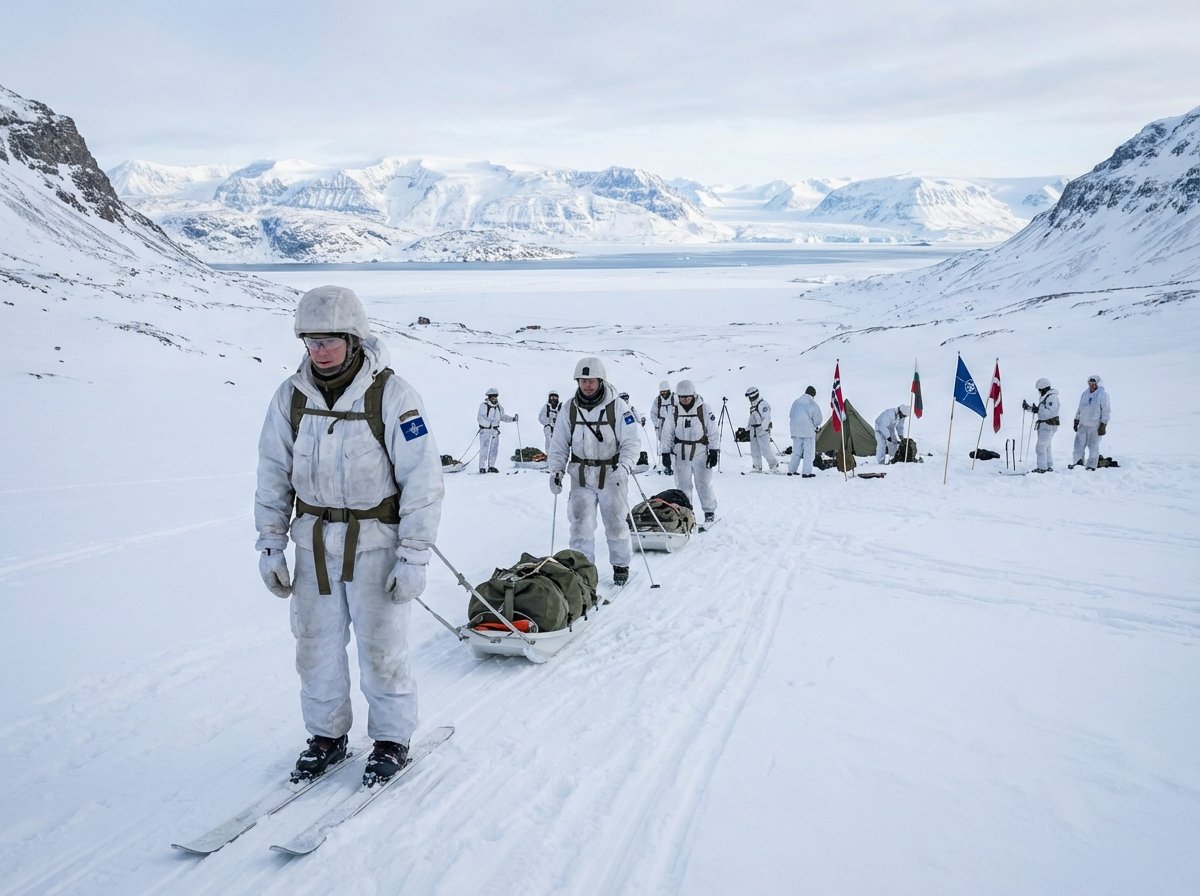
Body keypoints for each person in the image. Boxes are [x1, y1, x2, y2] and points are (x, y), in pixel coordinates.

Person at [255, 285, 444, 786]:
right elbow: (273, 473)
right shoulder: (290, 397)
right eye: (310, 341)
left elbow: (423, 478)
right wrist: (271, 543)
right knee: (314, 646)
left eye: (329, 340)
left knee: (382, 647)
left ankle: (390, 738)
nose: (318, 351)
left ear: (355, 339)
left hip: (376, 544)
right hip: (313, 541)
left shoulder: (393, 395)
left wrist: (415, 555)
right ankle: (326, 736)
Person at [547, 357, 641, 585]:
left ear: (601, 380)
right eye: (583, 381)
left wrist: (625, 466)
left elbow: (631, 442)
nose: (587, 385)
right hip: (580, 474)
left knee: (616, 521)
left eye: (591, 381)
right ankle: (582, 569)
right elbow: (559, 443)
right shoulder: (569, 408)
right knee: (580, 524)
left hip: (612, 474)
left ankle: (620, 564)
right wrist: (556, 470)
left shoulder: (618, 406)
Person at [659, 379, 718, 523]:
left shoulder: (703, 409)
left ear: (693, 395)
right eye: (681, 397)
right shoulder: (674, 411)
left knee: (703, 483)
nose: (684, 400)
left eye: (687, 397)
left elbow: (712, 431)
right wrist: (665, 452)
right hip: (681, 454)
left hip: (700, 452)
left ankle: (709, 511)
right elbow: (667, 432)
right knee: (683, 485)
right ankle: (686, 512)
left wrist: (714, 450)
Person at [1069, 375, 1111, 470]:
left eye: (1094, 384)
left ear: (1097, 384)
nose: (1091, 385)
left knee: (1093, 448)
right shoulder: (1085, 394)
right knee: (1078, 447)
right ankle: (1077, 463)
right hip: (1083, 426)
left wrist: (1103, 424)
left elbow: (1106, 411)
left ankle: (1092, 466)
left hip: (1095, 427)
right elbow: (1080, 408)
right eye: (1090, 383)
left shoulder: (1103, 395)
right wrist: (1076, 420)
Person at [1022, 377, 1060, 473]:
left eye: (1040, 390)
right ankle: (1048, 465)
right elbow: (1041, 411)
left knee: (1040, 447)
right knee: (1046, 446)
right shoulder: (1046, 396)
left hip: (1048, 425)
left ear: (1045, 388)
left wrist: (1037, 410)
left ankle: (1042, 468)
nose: (1039, 392)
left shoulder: (1052, 397)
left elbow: (1049, 413)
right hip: (1044, 425)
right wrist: (1029, 408)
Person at [477, 387, 516, 473]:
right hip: (485, 430)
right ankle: (482, 467)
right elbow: (480, 418)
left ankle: (491, 466)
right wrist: (489, 424)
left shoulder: (498, 407)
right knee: (484, 449)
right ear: (489, 397)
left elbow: (503, 417)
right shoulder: (484, 405)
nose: (494, 398)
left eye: (495, 396)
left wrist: (512, 419)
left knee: (494, 449)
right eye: (492, 396)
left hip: (495, 431)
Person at [788, 386, 823, 477]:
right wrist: (814, 426)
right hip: (808, 432)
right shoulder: (812, 404)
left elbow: (791, 414)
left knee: (796, 452)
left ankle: (791, 470)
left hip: (795, 431)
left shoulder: (796, 402)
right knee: (808, 453)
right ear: (813, 394)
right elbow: (818, 420)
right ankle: (806, 472)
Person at [745, 386, 780, 472]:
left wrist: (763, 428)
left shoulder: (763, 404)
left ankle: (773, 464)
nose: (749, 398)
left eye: (749, 396)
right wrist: (748, 428)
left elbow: (766, 418)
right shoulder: (753, 406)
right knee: (754, 450)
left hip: (762, 430)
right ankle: (757, 466)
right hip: (754, 430)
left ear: (753, 395)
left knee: (765, 449)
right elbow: (752, 418)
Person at [650, 380, 674, 474]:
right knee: (665, 447)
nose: (664, 394)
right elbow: (653, 413)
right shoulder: (658, 400)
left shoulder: (674, 398)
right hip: (663, 426)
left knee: (676, 446)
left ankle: (677, 466)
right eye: (662, 392)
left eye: (665, 391)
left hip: (674, 426)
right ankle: (667, 466)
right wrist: (657, 423)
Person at [537, 390, 561, 455]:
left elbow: (565, 417)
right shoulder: (546, 407)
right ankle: (549, 455)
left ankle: (558, 456)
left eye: (555, 397)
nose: (553, 399)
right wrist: (547, 421)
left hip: (558, 428)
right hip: (548, 427)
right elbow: (540, 417)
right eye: (552, 397)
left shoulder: (561, 407)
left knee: (559, 442)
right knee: (549, 441)